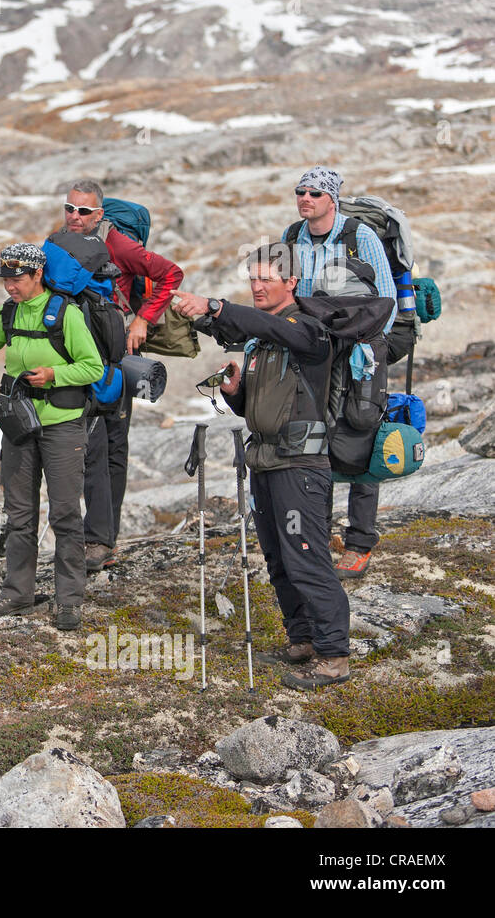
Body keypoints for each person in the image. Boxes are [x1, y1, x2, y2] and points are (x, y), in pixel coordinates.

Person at [174, 242, 352, 690]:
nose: (256, 287)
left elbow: (265, 324)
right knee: (277, 557)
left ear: (291, 283)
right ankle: (303, 640)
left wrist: (215, 307)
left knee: (307, 557)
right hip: (266, 460)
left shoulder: (309, 331)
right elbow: (255, 407)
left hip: (300, 466)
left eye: (265, 280)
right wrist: (236, 391)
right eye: (251, 279)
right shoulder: (262, 341)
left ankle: (334, 657)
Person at [0, 242, 103, 630]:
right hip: (19, 423)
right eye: (5, 279)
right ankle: (18, 592)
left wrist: (54, 376)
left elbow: (93, 367)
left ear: (37, 275)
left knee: (66, 513)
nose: (10, 286)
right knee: (19, 514)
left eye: (16, 279)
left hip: (63, 425)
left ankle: (69, 600)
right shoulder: (8, 313)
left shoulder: (65, 314)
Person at [57, 179, 184, 572]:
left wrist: (143, 320)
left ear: (99, 214)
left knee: (108, 444)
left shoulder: (119, 244)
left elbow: (171, 274)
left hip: (116, 354)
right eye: (69, 208)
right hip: (76, 355)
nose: (74, 216)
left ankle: (99, 539)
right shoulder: (59, 241)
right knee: (89, 444)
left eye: (83, 211)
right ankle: (95, 536)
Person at [287, 166, 397, 580]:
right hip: (314, 352)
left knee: (361, 432)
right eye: (300, 191)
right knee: (313, 439)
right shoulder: (291, 237)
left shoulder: (360, 238)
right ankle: (318, 532)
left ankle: (360, 542)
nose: (305, 198)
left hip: (360, 352)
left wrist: (369, 350)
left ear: (331, 198)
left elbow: (384, 299)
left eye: (314, 193)